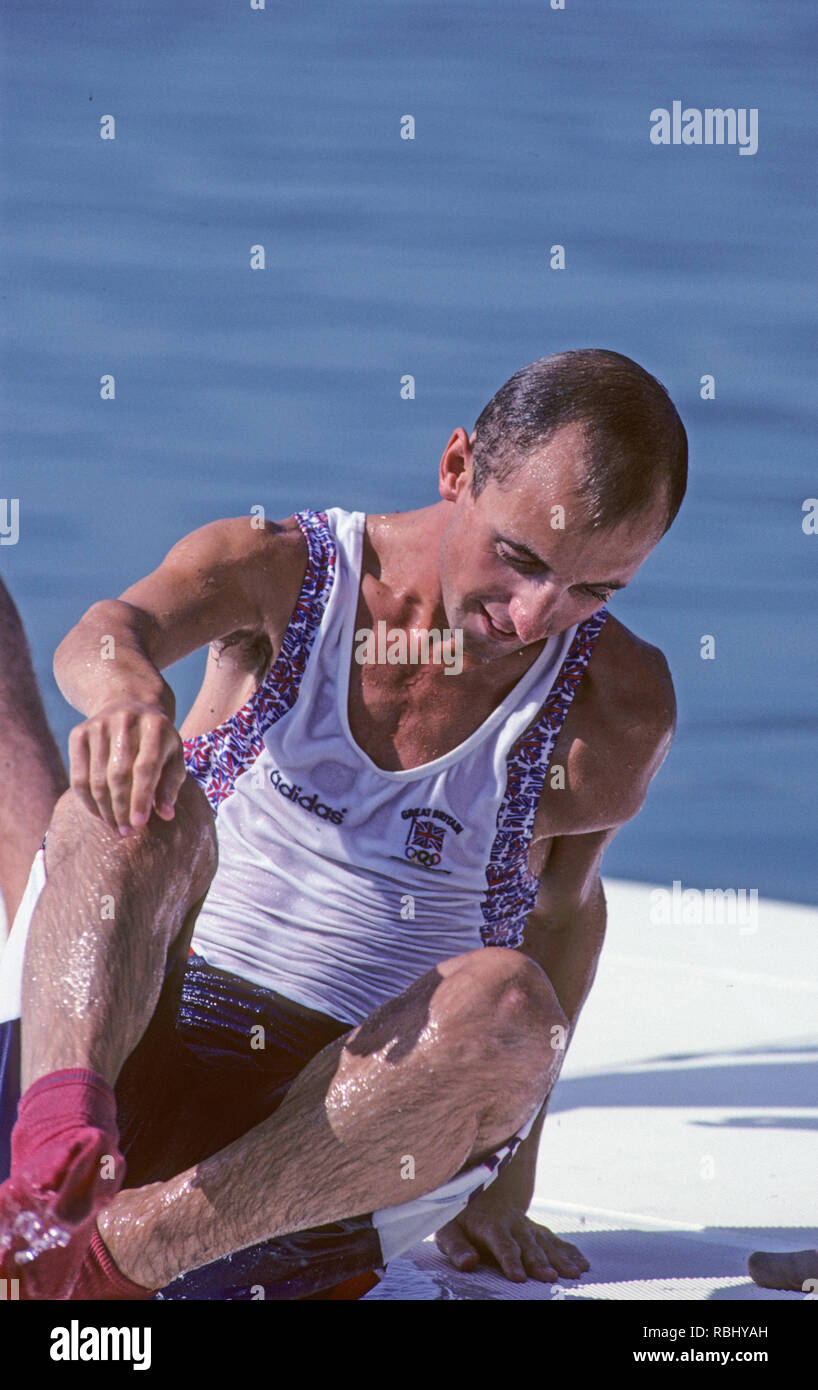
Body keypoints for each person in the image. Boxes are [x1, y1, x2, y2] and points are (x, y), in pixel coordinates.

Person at [0, 347, 683, 1300]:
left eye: (593, 590)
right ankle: (50, 1154)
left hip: (334, 1158)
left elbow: (565, 915)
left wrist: (503, 1191)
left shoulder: (619, 707)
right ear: (456, 468)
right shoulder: (285, 570)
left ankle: (107, 1263)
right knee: (123, 801)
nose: (534, 617)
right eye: (520, 559)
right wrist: (126, 700)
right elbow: (112, 629)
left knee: (512, 1003)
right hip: (130, 1050)